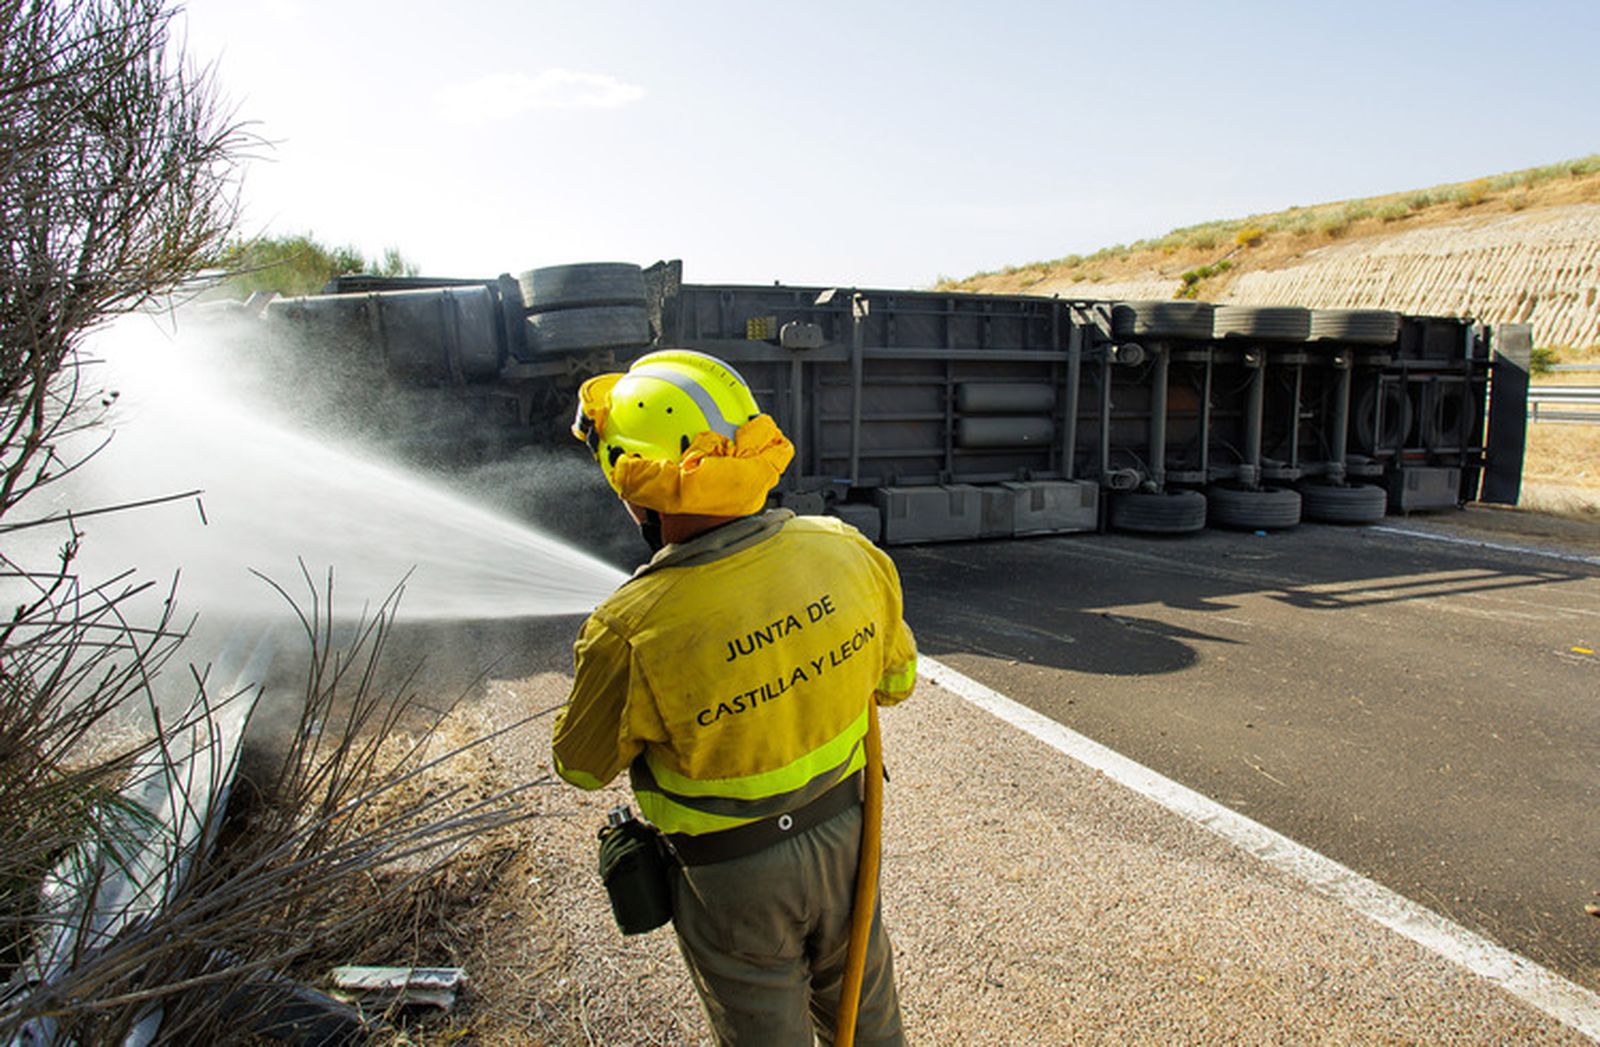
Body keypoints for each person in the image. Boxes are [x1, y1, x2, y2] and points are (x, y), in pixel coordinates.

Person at [552, 348, 917, 1045]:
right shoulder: (847, 550)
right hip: (850, 839)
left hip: (730, 875)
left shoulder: (629, 626)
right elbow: (895, 683)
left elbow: (580, 766)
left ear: (634, 484)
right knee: (869, 1026)